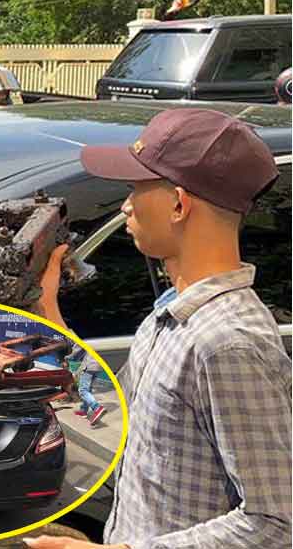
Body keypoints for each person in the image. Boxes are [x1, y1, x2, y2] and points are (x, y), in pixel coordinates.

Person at [25, 108, 290, 549]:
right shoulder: (171, 314)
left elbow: (275, 521)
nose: (126, 205)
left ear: (179, 204)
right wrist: (47, 309)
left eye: (136, 188)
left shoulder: (227, 342)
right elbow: (114, 412)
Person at [71, 349, 107, 424]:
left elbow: (78, 350)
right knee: (88, 390)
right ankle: (84, 410)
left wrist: (67, 357)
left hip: (90, 365)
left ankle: (97, 408)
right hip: (98, 366)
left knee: (83, 391)